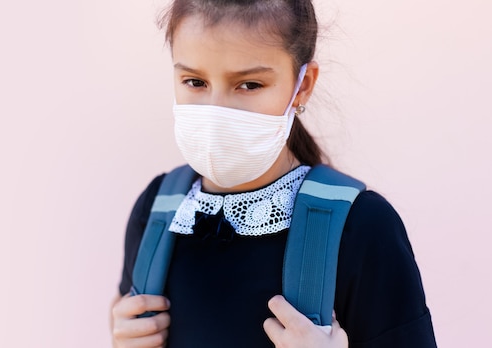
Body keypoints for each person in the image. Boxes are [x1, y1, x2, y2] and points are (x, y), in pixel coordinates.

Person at [110, 0, 437, 347]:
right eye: (194, 81)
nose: (216, 111)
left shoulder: (364, 227)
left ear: (304, 85)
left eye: (249, 85)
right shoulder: (157, 212)